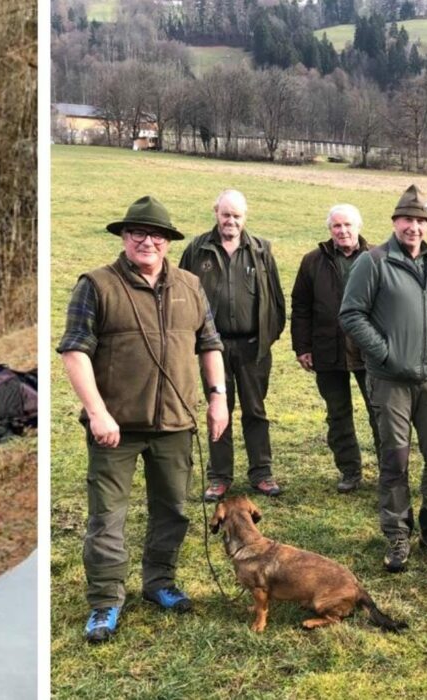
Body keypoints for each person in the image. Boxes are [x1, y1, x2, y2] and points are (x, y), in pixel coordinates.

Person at [58, 196, 229, 642]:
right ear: (124, 237)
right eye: (138, 233)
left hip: (175, 424)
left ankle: (160, 583)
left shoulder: (191, 286)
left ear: (169, 242)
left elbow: (209, 345)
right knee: (107, 518)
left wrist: (218, 399)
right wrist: (98, 413)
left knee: (173, 510)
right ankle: (104, 602)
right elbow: (75, 352)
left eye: (157, 235)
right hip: (114, 428)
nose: (147, 241)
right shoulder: (95, 285)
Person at [340, 184, 427, 573]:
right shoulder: (372, 262)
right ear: (395, 221)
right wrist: (386, 354)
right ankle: (397, 532)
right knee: (395, 459)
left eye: (422, 221)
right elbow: (351, 315)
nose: (415, 227)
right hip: (391, 381)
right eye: (408, 219)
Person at [179, 189, 286, 501]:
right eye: (226, 215)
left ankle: (262, 473)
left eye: (237, 216)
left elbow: (277, 301)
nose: (231, 221)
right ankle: (219, 476)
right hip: (213, 348)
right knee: (219, 408)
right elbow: (183, 297)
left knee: (256, 410)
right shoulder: (197, 250)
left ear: (245, 218)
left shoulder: (262, 250)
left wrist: (266, 336)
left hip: (253, 348)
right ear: (216, 213)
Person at [291, 204, 381, 493]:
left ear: (359, 226)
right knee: (338, 415)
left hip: (370, 351)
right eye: (336, 226)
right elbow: (301, 307)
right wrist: (303, 347)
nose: (343, 231)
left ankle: (389, 471)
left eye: (348, 225)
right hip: (327, 350)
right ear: (329, 229)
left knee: (381, 412)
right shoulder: (312, 262)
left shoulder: (378, 258)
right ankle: (350, 471)